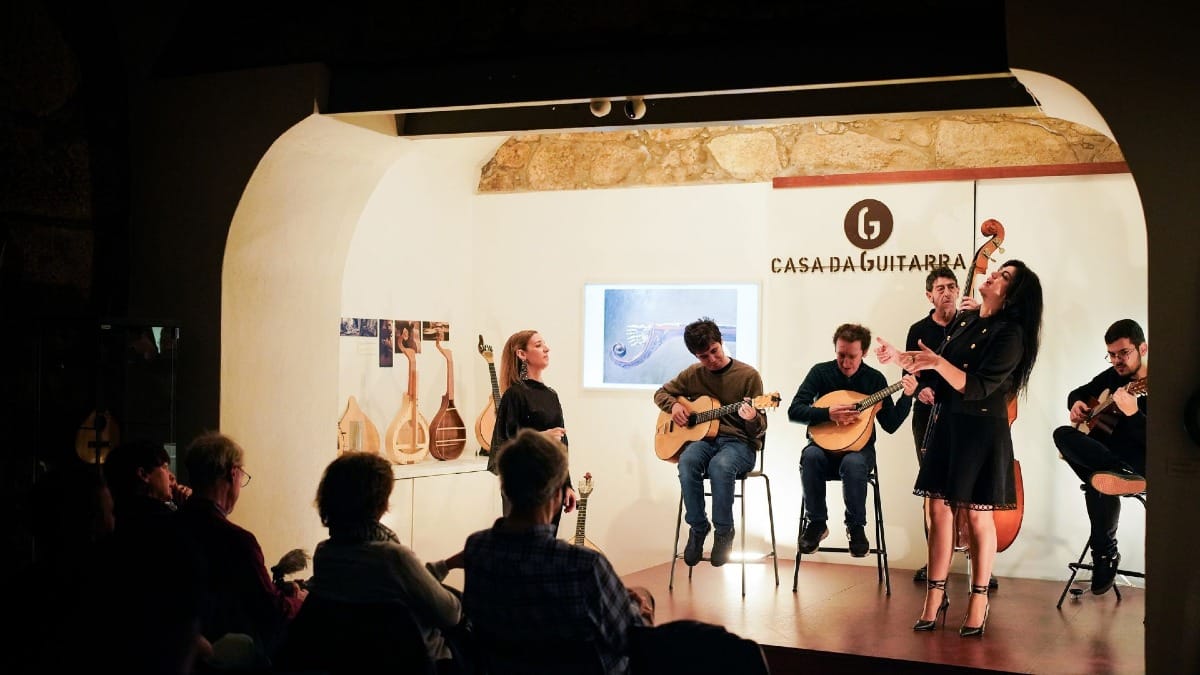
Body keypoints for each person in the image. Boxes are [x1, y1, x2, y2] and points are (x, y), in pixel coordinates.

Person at [878, 259, 1043, 638]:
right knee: (938, 510)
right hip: (948, 424)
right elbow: (934, 370)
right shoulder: (967, 320)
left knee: (978, 516)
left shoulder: (1011, 333)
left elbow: (977, 386)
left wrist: (937, 360)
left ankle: (979, 599)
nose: (992, 275)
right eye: (997, 270)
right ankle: (935, 598)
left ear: (1012, 294)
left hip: (982, 429)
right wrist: (899, 357)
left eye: (1003, 277)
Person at [462, 429, 652, 674]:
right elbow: (631, 640)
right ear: (556, 494)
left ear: (506, 489)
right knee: (642, 596)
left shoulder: (477, 549)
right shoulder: (585, 565)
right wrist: (639, 611)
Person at [291, 451, 465, 670]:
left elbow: (394, 583)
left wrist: (446, 565)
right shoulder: (393, 557)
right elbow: (450, 613)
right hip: (421, 661)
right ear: (378, 502)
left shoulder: (325, 554)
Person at [176, 431, 307, 663]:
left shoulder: (170, 525)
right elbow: (270, 610)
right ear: (232, 473)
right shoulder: (236, 540)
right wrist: (301, 601)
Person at [790, 323, 916, 558]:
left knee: (853, 463)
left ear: (864, 353)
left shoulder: (874, 380)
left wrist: (907, 397)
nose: (846, 362)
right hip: (823, 450)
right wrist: (827, 414)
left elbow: (890, 425)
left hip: (859, 451)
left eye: (852, 356)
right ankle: (817, 524)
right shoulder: (820, 373)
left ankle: (856, 527)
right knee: (810, 455)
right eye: (841, 355)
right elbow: (794, 411)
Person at [653, 317, 767, 567]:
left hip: (739, 444)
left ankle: (724, 532)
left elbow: (760, 429)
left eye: (714, 351)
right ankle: (698, 527)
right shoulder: (693, 374)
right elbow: (660, 394)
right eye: (703, 356)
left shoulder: (748, 376)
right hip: (704, 441)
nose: (711, 360)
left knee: (720, 467)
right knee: (687, 462)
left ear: (721, 342)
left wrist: (751, 418)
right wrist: (674, 407)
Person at [1052, 318, 1148, 595]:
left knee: (1097, 482)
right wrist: (1076, 405)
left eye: (1123, 353)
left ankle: (1104, 554)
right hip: (1110, 462)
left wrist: (1133, 413)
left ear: (1142, 349)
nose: (1117, 361)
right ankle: (1110, 477)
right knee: (1062, 434)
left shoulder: (1159, 384)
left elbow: (1161, 442)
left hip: (1141, 465)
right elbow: (1079, 393)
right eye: (1112, 355)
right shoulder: (1113, 377)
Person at [489, 329, 577, 528]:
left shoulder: (551, 395)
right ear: (522, 354)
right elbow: (504, 444)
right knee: (521, 549)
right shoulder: (514, 395)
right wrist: (540, 438)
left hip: (551, 486)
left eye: (544, 344)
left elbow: (562, 445)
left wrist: (567, 484)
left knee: (546, 548)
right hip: (522, 487)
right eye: (538, 345)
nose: (547, 349)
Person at [103, 439, 192, 533]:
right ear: (143, 474)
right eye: (165, 467)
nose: (172, 476)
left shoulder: (115, 517)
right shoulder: (168, 523)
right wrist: (193, 506)